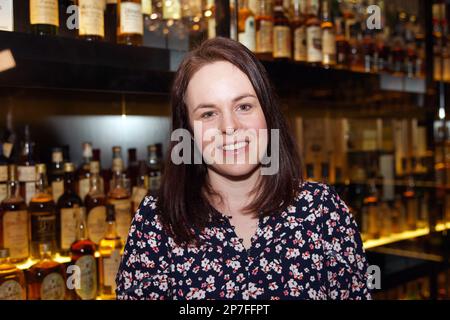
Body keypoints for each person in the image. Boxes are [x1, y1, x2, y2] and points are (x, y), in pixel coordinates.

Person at [116, 37, 372, 300]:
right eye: (208, 113)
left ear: (267, 114)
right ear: (188, 131)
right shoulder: (157, 222)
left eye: (244, 106)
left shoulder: (322, 211)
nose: (229, 126)